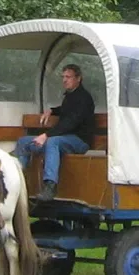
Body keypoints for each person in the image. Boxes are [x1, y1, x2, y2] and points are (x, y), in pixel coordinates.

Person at [14, 64, 96, 201]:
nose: (64, 80)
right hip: (63, 139)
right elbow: (65, 110)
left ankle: (50, 186)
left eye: (68, 77)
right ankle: (18, 180)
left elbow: (70, 123)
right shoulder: (70, 96)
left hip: (79, 141)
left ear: (78, 79)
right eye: (63, 77)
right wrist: (52, 110)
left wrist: (46, 135)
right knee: (23, 142)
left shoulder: (84, 98)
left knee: (53, 141)